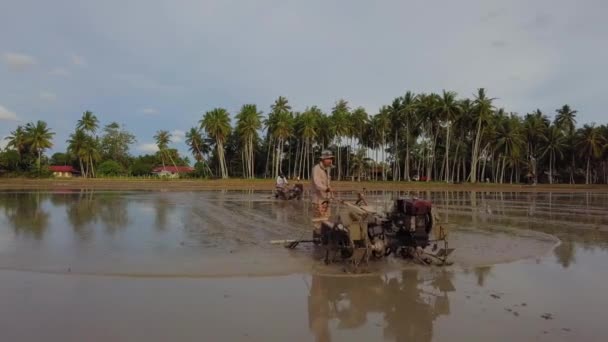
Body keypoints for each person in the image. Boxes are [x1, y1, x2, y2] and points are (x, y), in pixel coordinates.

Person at [311, 150, 334, 236]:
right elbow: (317, 184)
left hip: (326, 200)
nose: (330, 160)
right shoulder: (316, 169)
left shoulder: (327, 169)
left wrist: (331, 194)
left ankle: (324, 240)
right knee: (318, 222)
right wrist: (326, 189)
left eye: (331, 158)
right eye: (328, 159)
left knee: (326, 220)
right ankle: (316, 241)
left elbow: (328, 184)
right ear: (323, 159)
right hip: (318, 200)